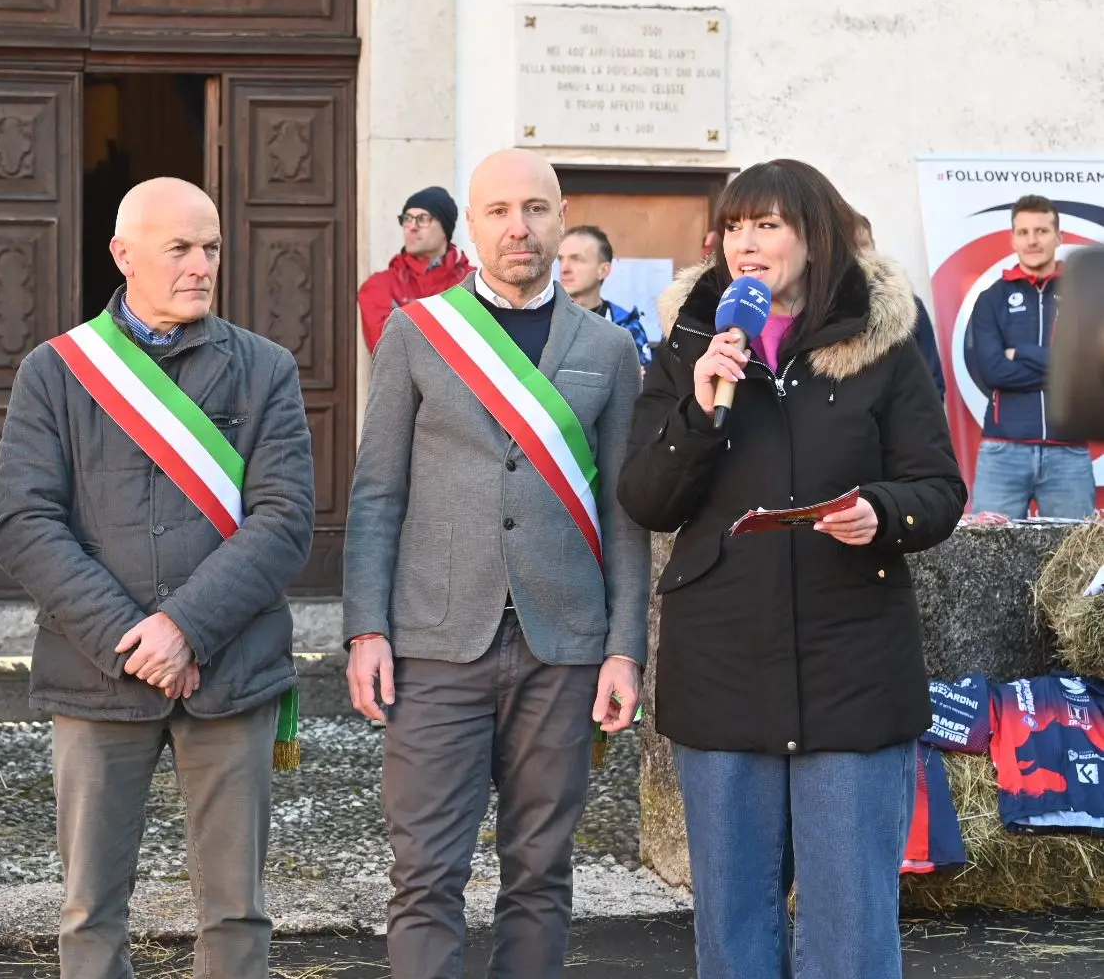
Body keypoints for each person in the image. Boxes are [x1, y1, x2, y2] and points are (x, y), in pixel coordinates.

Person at [618, 159, 966, 979]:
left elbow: (939, 487)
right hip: (723, 664)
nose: (747, 242)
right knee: (735, 927)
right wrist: (699, 413)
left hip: (853, 670)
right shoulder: (687, 343)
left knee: (850, 933)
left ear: (812, 239)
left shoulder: (882, 345)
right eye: (735, 225)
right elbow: (645, 498)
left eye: (768, 224)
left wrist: (883, 510)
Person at [0, 177, 315, 979]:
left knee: (236, 910)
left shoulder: (266, 368)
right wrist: (130, 640)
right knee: (90, 910)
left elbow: (285, 521)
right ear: (123, 254)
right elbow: (25, 523)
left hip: (230, 670)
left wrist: (186, 629)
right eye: (180, 249)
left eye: (210, 247)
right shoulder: (55, 372)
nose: (201, 265)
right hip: (98, 674)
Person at [344, 148, 649, 978]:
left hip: (565, 646)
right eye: (500, 211)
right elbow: (376, 496)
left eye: (537, 209)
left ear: (560, 218)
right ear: (469, 229)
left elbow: (625, 514)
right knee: (425, 875)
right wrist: (366, 627)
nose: (520, 227)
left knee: (542, 875)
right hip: (436, 645)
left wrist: (626, 646)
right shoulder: (416, 332)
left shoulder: (609, 350)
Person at [966, 194, 1098, 519]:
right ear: (1012, 239)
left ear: (1059, 236)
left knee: (1075, 563)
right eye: (1023, 232)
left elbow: (1089, 369)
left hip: (1068, 451)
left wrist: (1021, 353)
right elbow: (993, 371)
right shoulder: (990, 299)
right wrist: (1061, 368)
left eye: (1041, 230)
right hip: (1002, 451)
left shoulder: (1083, 294)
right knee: (989, 557)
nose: (1032, 240)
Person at [358, 185, 474, 352]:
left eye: (423, 219)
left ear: (445, 229)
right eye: (407, 218)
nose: (412, 227)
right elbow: (389, 350)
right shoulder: (379, 286)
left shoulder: (474, 282)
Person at [851, 211, 946, 398]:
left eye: (863, 245)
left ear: (874, 245)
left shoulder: (909, 305)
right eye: (851, 248)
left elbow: (934, 378)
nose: (860, 256)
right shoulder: (830, 313)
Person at [555, 224, 654, 366]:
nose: (564, 269)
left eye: (576, 259)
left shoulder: (626, 325)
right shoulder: (544, 318)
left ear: (603, 270)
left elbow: (639, 382)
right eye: (561, 259)